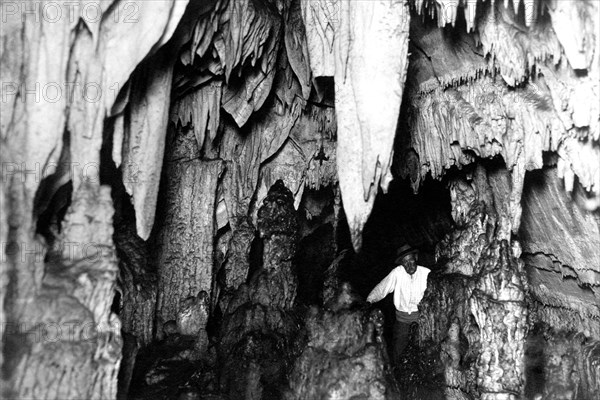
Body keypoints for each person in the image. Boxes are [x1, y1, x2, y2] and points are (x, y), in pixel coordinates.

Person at [366, 244, 430, 365]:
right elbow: (382, 288)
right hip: (402, 319)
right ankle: (399, 373)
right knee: (399, 348)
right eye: (405, 262)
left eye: (411, 260)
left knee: (424, 348)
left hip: (422, 319)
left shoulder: (426, 273)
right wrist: (370, 300)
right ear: (401, 263)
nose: (409, 264)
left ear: (415, 258)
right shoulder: (397, 273)